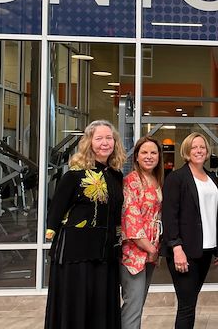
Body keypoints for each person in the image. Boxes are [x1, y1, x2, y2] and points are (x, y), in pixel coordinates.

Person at [44, 120, 127, 329]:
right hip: (76, 254)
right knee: (77, 303)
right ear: (89, 143)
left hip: (106, 252)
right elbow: (56, 211)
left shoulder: (116, 175)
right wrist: (50, 234)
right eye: (99, 138)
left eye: (109, 138)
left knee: (101, 305)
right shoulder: (74, 175)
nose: (105, 143)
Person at [162, 133, 218, 329]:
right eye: (194, 147)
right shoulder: (176, 178)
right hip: (184, 251)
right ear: (186, 152)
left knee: (191, 302)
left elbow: (215, 213)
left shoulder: (212, 178)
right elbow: (169, 216)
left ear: (207, 152)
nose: (198, 151)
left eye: (202, 147)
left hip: (205, 249)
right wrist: (176, 247)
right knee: (187, 306)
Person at [120, 136, 164, 329]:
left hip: (151, 251)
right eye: (144, 152)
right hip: (134, 253)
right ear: (136, 156)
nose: (149, 156)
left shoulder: (156, 179)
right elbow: (132, 220)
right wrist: (150, 248)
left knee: (139, 302)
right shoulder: (131, 181)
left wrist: (155, 250)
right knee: (133, 305)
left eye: (153, 152)